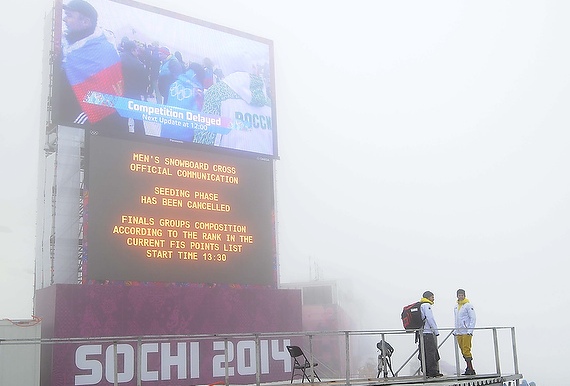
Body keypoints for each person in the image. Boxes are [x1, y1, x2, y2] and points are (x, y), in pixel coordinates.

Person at [59, 0, 124, 131]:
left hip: (90, 132)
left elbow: (105, 104)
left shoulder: (104, 52)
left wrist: (72, 126)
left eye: (69, 15)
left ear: (86, 22)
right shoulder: (71, 49)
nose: (65, 19)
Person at [418, 290, 443, 378]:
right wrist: (436, 331)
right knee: (431, 352)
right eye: (432, 297)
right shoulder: (427, 305)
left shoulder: (420, 305)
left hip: (420, 333)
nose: (433, 299)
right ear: (428, 297)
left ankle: (425, 370)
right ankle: (432, 371)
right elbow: (430, 318)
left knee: (423, 352)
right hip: (427, 332)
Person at [454, 288, 477, 375]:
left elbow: (473, 318)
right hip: (459, 332)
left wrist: (470, 330)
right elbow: (456, 319)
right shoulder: (456, 306)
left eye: (462, 295)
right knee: (462, 350)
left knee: (466, 349)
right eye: (459, 295)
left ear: (464, 295)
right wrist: (456, 330)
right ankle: (468, 367)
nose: (460, 297)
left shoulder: (468, 305)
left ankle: (471, 368)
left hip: (466, 331)